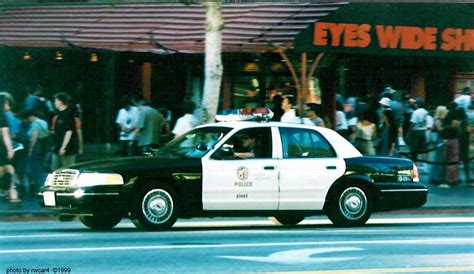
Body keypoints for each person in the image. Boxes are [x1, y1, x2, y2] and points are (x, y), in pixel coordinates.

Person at [20, 110, 49, 194]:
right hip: (43, 147)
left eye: (28, 117)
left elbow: (34, 138)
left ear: (32, 116)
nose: (28, 119)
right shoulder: (43, 122)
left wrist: (30, 149)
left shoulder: (35, 124)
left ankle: (38, 188)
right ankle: (41, 186)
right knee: (40, 166)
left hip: (37, 147)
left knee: (35, 168)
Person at [50, 93, 79, 171]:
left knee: (67, 170)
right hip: (57, 146)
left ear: (61, 101)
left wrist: (63, 147)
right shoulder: (58, 115)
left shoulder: (68, 114)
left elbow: (69, 131)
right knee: (54, 169)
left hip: (68, 148)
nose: (54, 102)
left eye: (56, 101)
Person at [0, 94, 19, 204]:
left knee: (5, 169)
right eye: (6, 103)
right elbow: (6, 135)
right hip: (1, 146)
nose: (8, 105)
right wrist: (10, 149)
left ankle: (9, 192)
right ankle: (12, 193)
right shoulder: (3, 117)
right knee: (9, 168)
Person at [428, 106, 447, 185]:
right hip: (440, 139)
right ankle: (435, 176)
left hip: (440, 139)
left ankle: (436, 176)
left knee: (439, 158)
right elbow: (440, 130)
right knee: (438, 158)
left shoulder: (438, 119)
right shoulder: (438, 120)